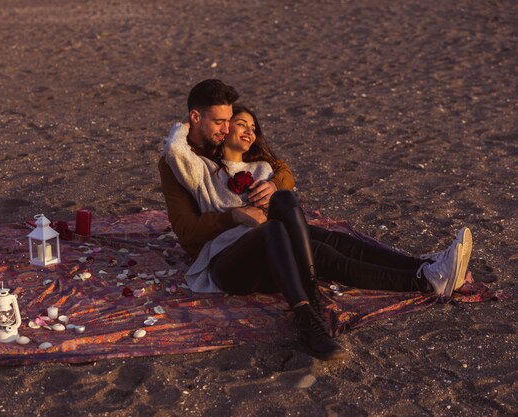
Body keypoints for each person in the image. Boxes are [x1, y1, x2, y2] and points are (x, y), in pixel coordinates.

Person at [159, 79, 473, 361]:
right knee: (285, 235)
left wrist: (275, 186)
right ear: (195, 119)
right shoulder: (189, 165)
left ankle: (423, 270)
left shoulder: (240, 154)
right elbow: (186, 231)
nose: (228, 129)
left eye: (231, 121)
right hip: (226, 259)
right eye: (221, 122)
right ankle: (307, 312)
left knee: (319, 238)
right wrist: (234, 215)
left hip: (265, 246)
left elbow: (278, 167)